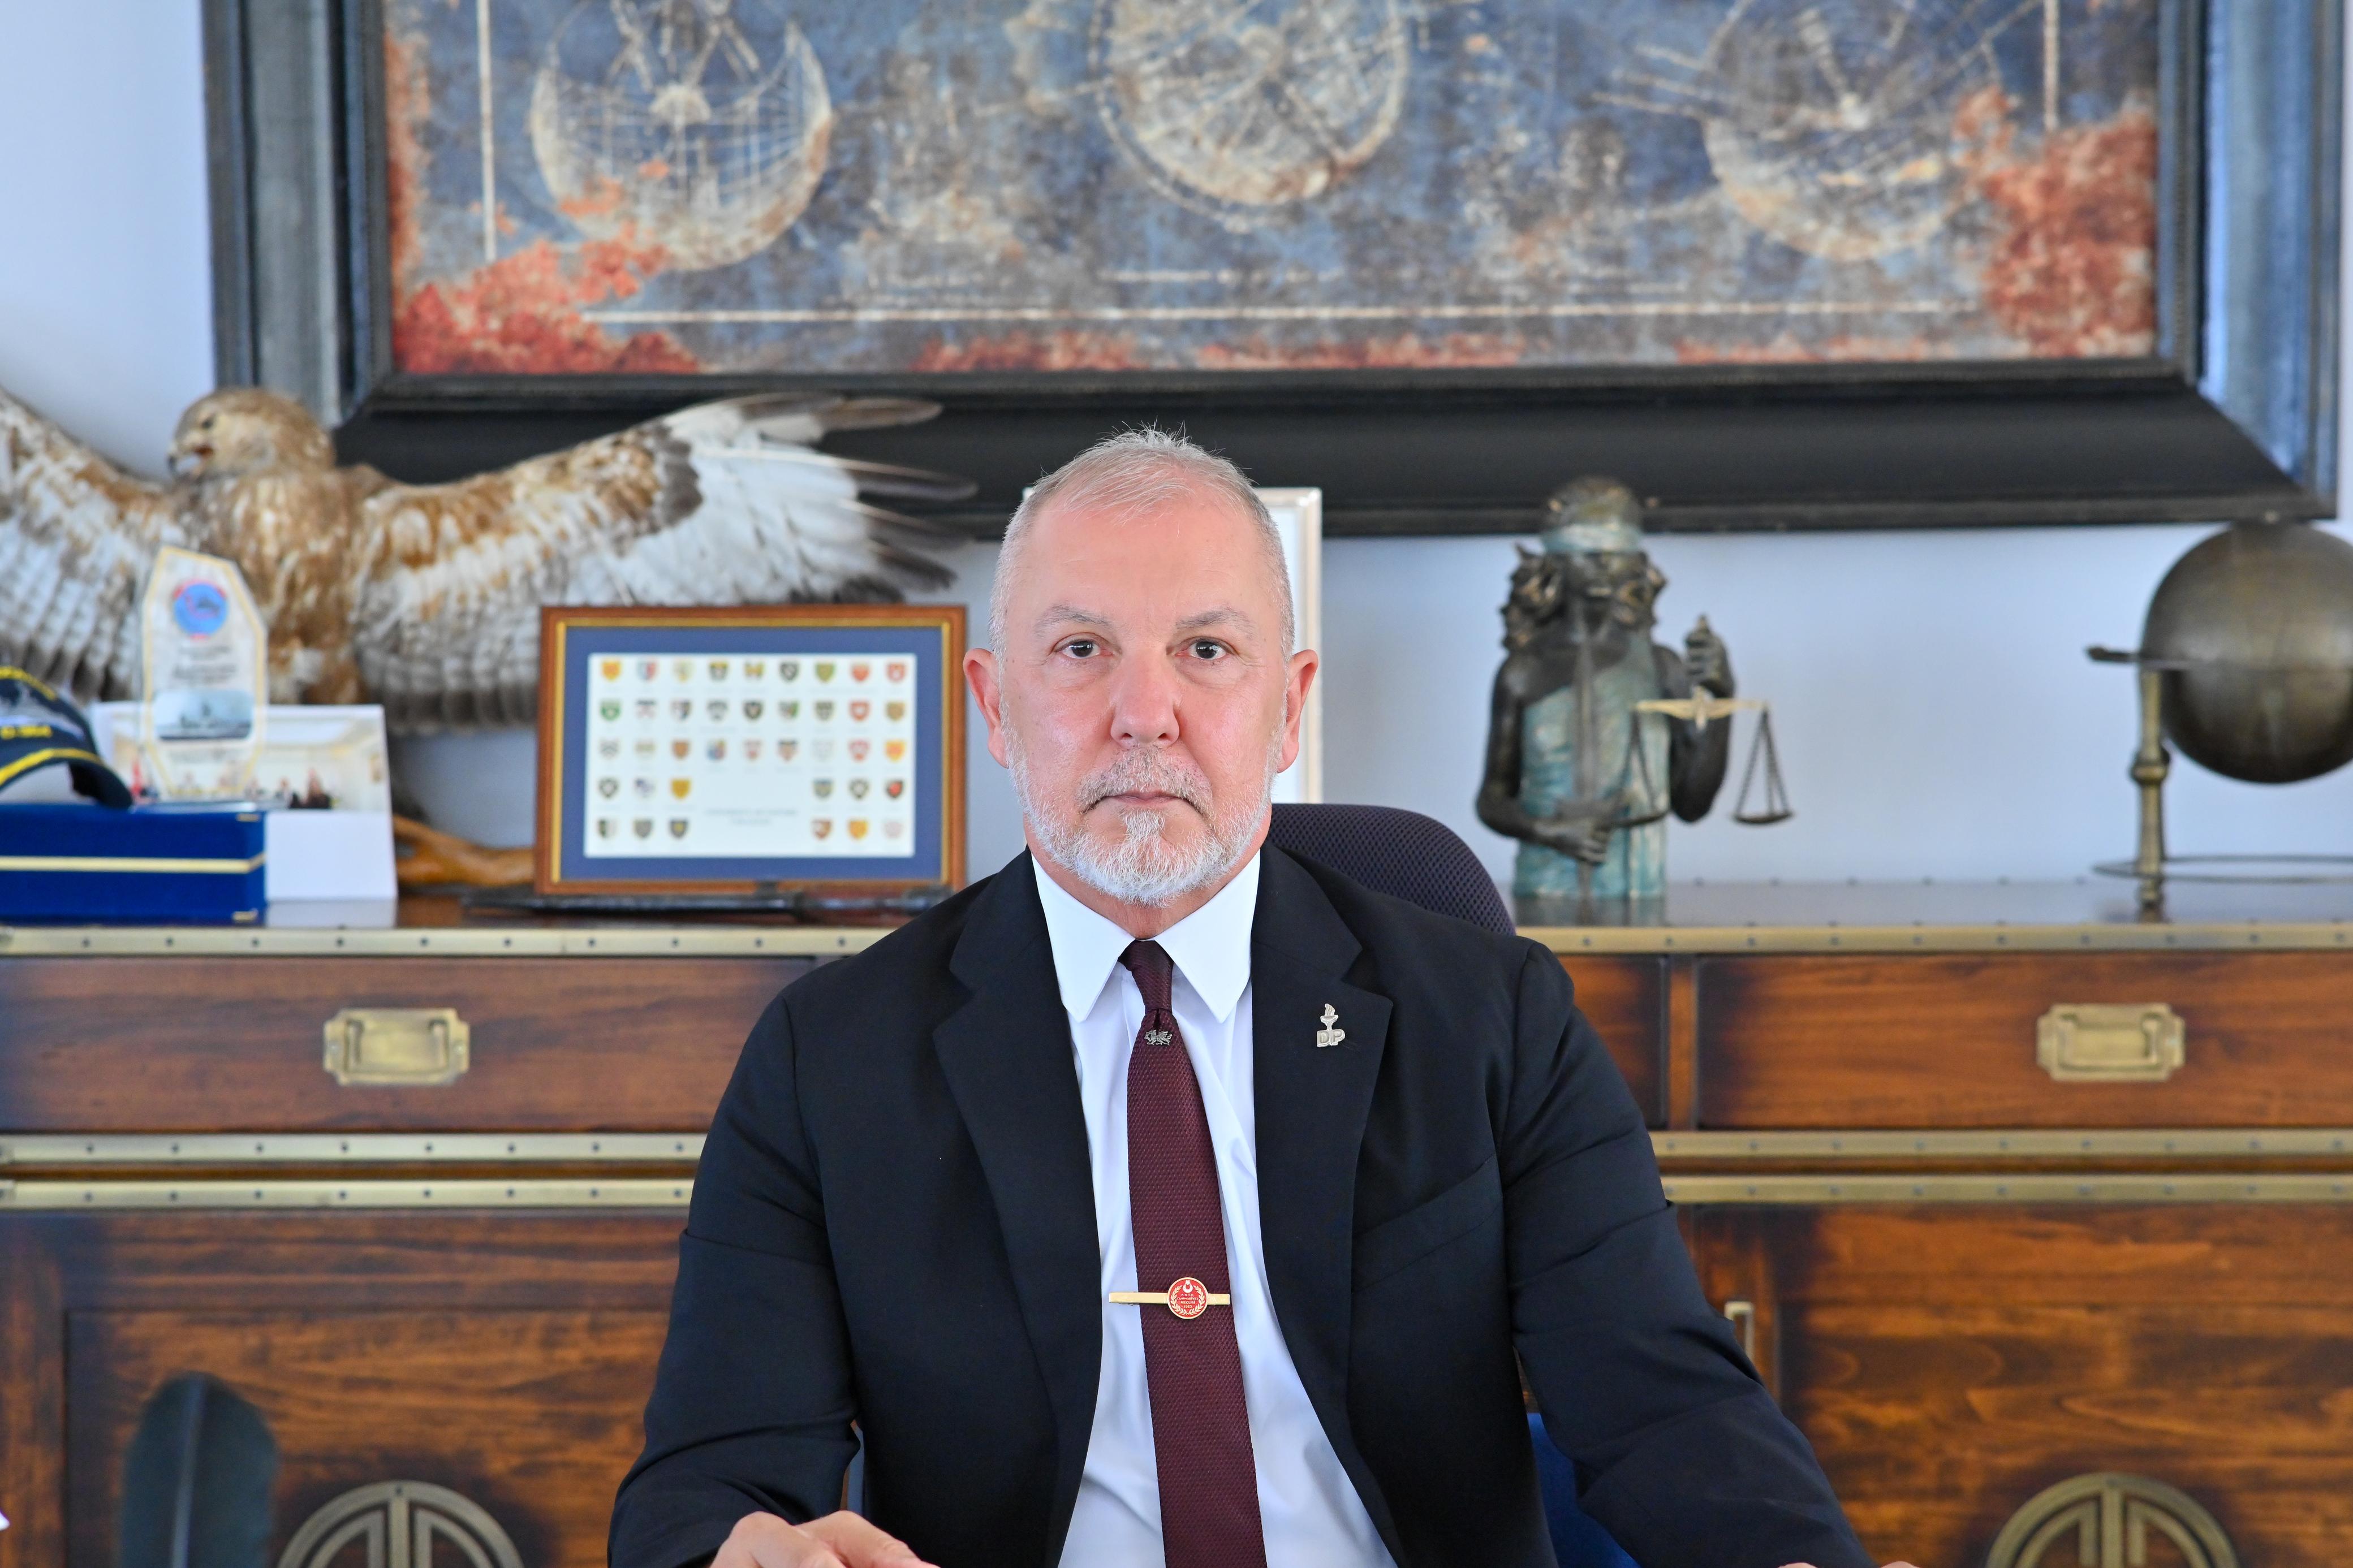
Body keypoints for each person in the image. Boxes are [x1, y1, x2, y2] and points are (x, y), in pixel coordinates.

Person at [610, 431, 1916, 1568]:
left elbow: (1662, 1400)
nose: (1145, 714)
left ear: (1287, 708)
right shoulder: (831, 1058)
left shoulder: (1491, 1015)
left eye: (1206, 649)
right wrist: (739, 1550)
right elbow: (713, 1474)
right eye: (1080, 649)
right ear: (995, 706)